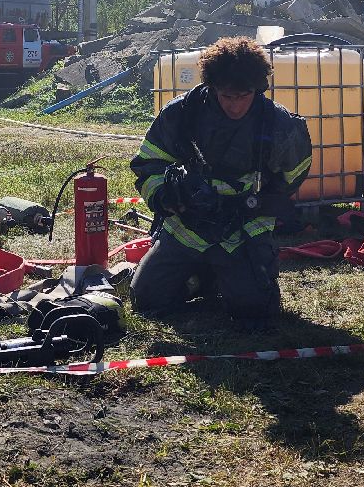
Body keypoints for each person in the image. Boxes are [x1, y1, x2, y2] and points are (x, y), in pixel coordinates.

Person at [129, 36, 313, 327]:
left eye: (243, 96)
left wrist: (258, 204)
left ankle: (224, 276)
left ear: (258, 89)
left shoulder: (279, 124)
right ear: (212, 87)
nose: (235, 106)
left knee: (254, 312)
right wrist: (167, 196)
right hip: (186, 227)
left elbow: (294, 174)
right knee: (147, 300)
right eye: (227, 96)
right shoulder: (183, 113)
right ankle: (204, 277)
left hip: (242, 229)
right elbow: (148, 163)